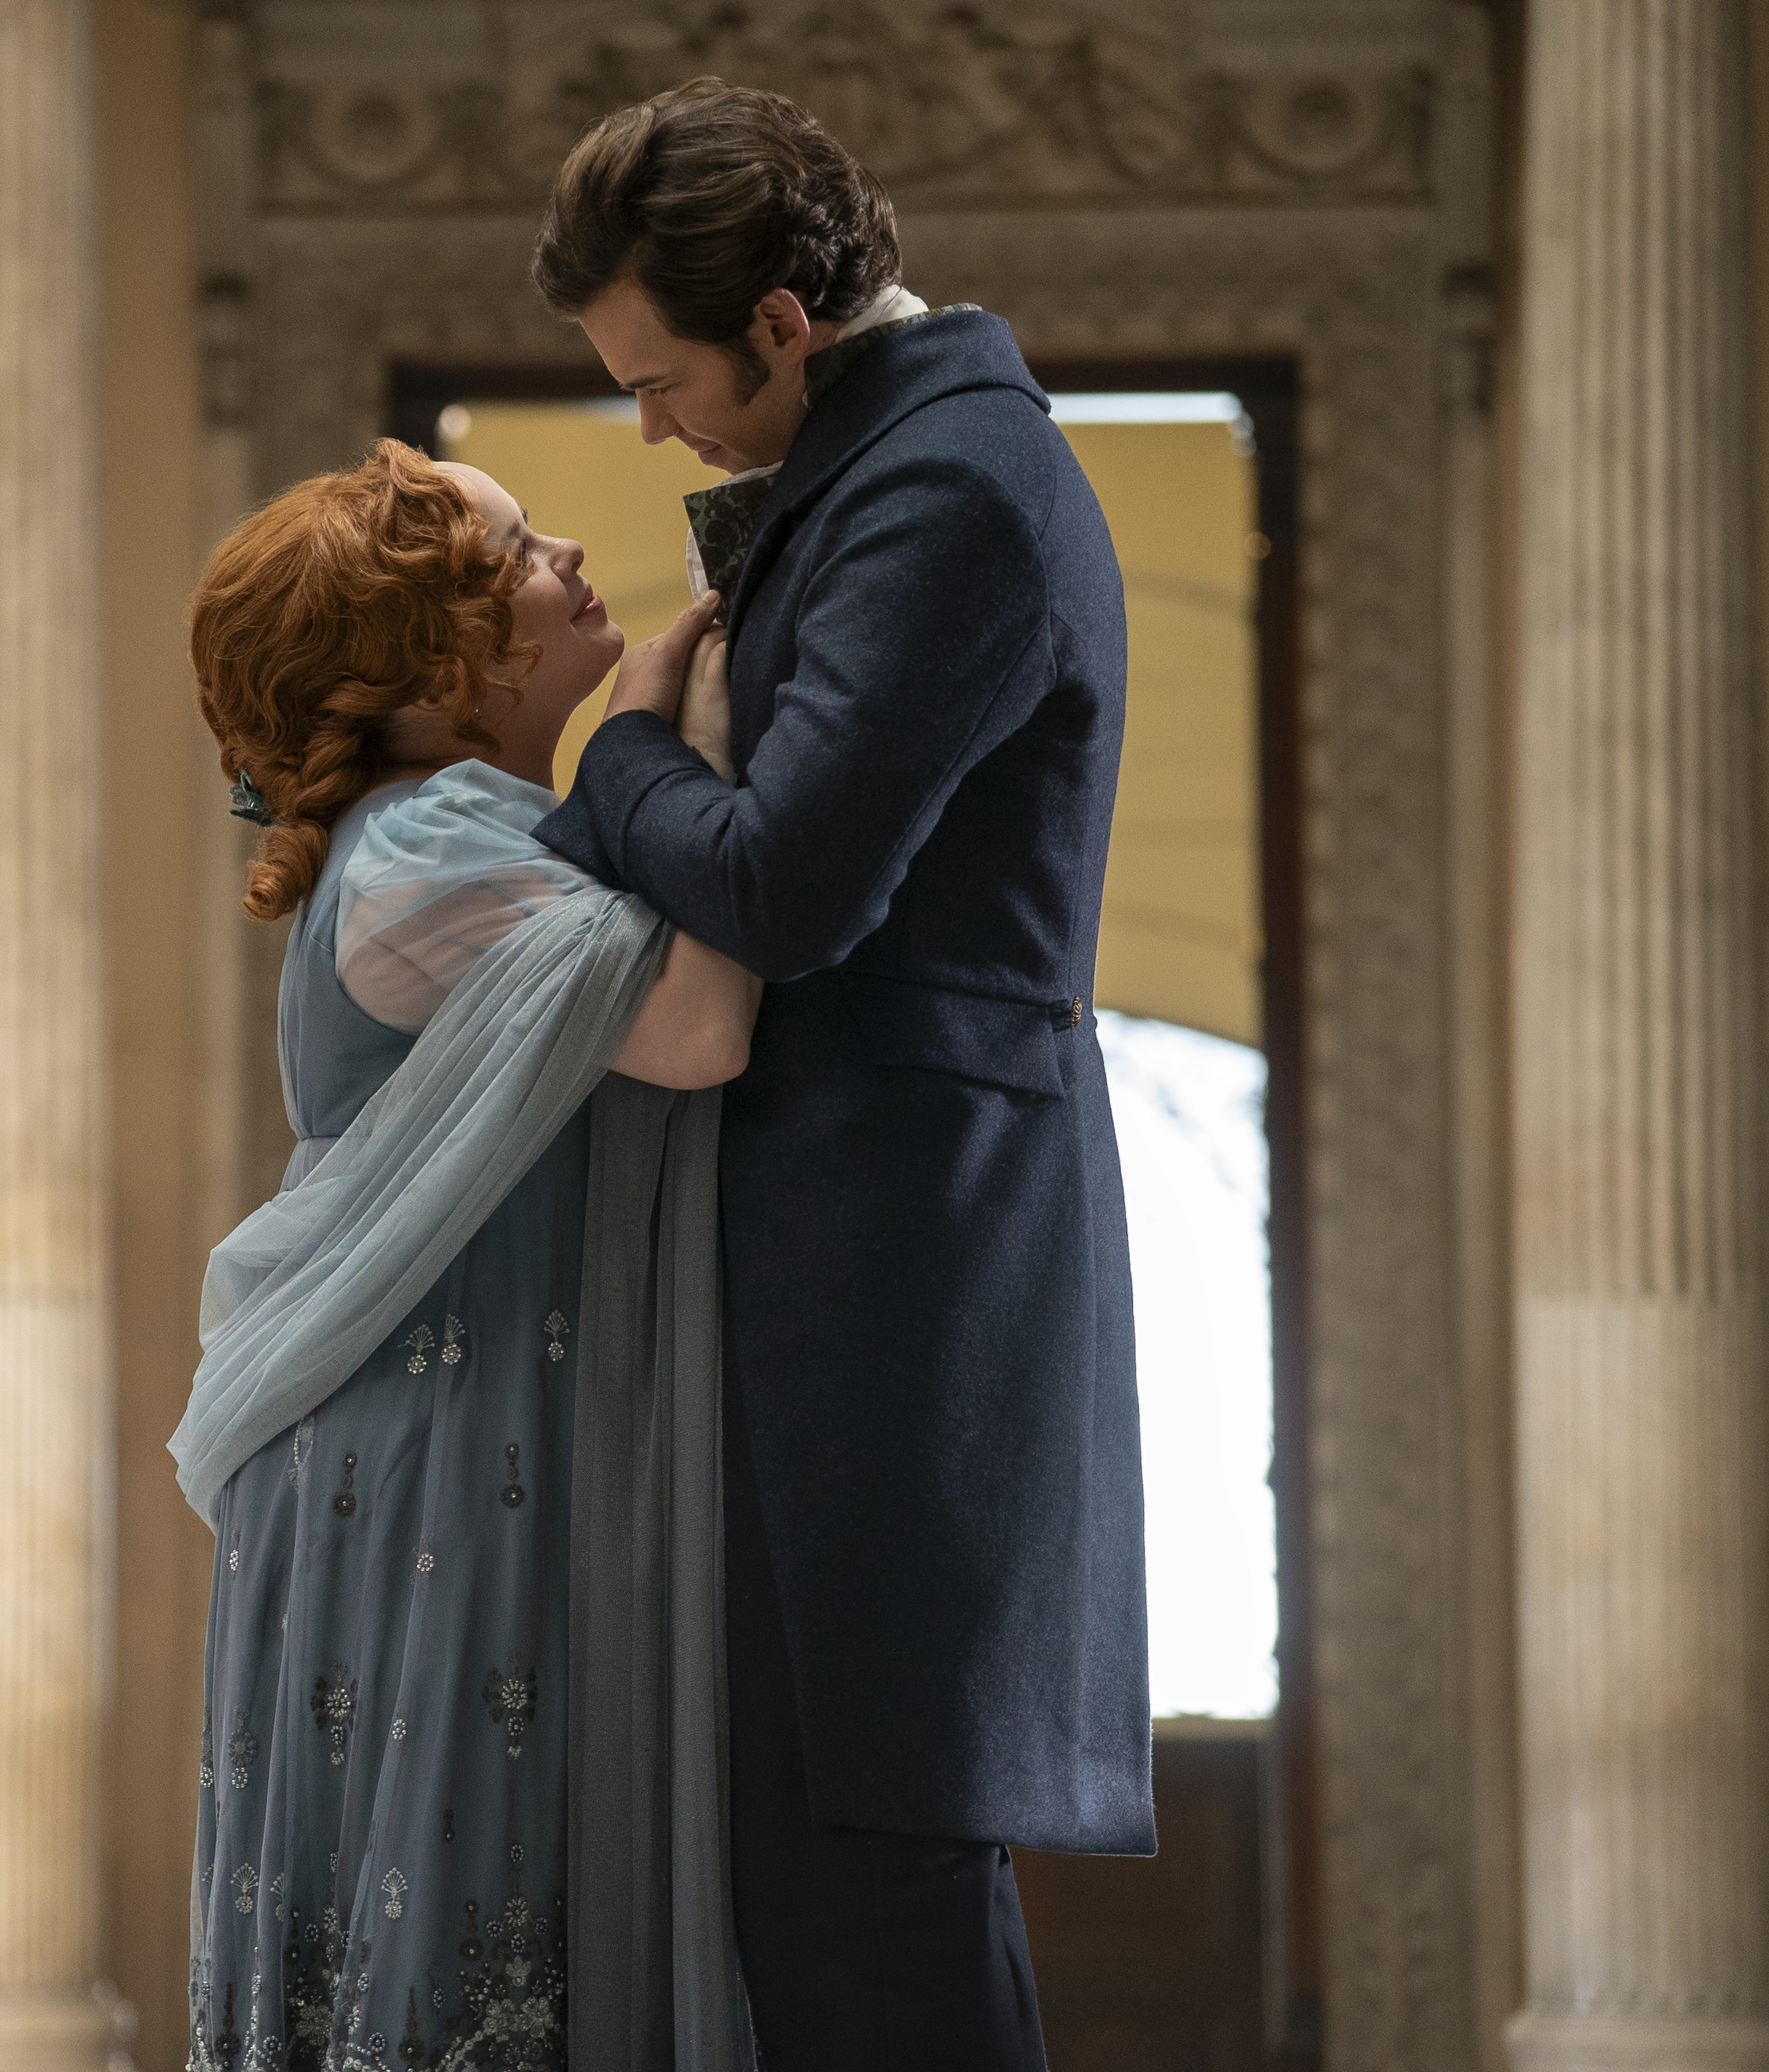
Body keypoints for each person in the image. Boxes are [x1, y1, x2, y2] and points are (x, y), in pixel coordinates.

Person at [529, 79, 1152, 2069]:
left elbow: (787, 887)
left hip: (906, 1264)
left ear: (787, 323)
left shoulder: (953, 488)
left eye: (660, 378)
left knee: (870, 1873)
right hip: (849, 1241)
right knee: (815, 1867)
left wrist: (623, 742)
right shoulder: (889, 468)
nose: (650, 427)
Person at [172, 439, 757, 2071]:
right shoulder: (427, 844)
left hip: (450, 1424)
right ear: (430, 664)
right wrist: (666, 753)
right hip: (433, 1451)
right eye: (514, 553)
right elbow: (701, 1027)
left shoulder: (455, 827)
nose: (567, 550)